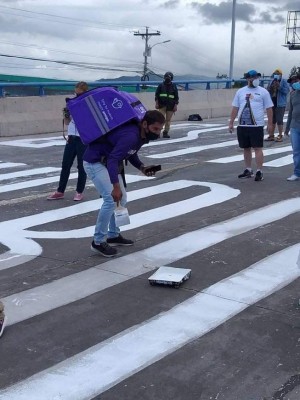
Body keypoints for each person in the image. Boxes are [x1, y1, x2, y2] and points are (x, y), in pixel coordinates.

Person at [83, 110, 166, 257]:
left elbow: (131, 153)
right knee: (111, 199)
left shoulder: (142, 135)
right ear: (145, 124)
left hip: (106, 162)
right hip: (95, 162)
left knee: (122, 198)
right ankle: (97, 241)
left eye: (160, 129)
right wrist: (115, 186)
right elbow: (113, 159)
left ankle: (113, 235)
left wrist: (142, 167)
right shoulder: (131, 136)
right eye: (155, 129)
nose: (157, 133)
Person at [228, 69, 273, 182]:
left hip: (256, 126)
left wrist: (270, 123)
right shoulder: (240, 92)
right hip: (243, 125)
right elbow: (235, 107)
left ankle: (259, 171)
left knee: (257, 148)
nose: (255, 79)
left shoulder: (263, 92)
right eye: (252, 77)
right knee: (246, 148)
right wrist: (231, 122)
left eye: (256, 77)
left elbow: (269, 108)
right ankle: (248, 169)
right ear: (248, 79)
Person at [47, 81, 88, 201]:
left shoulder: (88, 105)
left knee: (81, 166)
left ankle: (79, 192)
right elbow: (67, 122)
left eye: (79, 94)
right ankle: (60, 191)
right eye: (75, 93)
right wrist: (66, 114)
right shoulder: (72, 103)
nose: (76, 96)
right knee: (65, 165)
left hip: (83, 139)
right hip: (71, 137)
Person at [265, 68, 290, 142]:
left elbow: (286, 91)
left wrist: (279, 87)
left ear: (281, 75)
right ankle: (271, 135)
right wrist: (271, 87)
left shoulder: (284, 81)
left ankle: (280, 135)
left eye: (278, 74)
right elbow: (268, 90)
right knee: (272, 120)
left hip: (280, 103)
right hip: (272, 102)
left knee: (279, 120)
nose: (276, 75)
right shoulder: (271, 81)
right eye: (275, 73)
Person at [284, 73, 300, 181]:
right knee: (296, 151)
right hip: (295, 126)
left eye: (295, 81)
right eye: (292, 82)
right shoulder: (292, 94)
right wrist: (287, 128)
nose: (294, 83)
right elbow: (290, 112)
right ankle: (297, 173)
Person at [155, 72, 179, 138]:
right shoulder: (161, 85)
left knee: (168, 120)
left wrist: (175, 105)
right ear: (164, 78)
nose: (167, 79)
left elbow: (176, 97)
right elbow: (156, 95)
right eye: (166, 77)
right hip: (162, 105)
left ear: (171, 78)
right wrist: (157, 103)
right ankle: (157, 133)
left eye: (169, 78)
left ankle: (165, 132)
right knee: (160, 119)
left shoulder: (174, 86)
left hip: (171, 106)